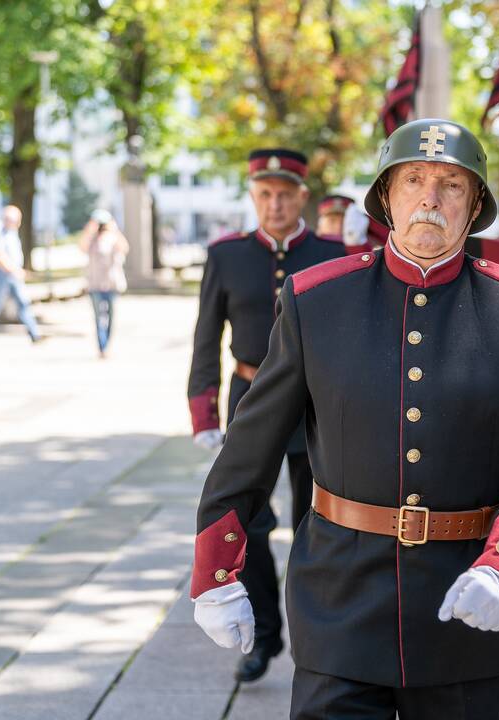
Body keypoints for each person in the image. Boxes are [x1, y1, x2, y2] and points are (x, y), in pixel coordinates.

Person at [190, 118, 499, 719]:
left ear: (475, 205)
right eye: (413, 180)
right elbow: (252, 443)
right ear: (386, 198)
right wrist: (215, 567)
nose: (430, 198)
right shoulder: (316, 299)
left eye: (452, 184)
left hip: (466, 601)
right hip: (339, 600)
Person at [186, 147, 345, 683]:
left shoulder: (331, 251)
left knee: (316, 523)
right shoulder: (226, 255)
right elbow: (207, 335)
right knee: (246, 525)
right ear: (253, 197)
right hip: (249, 398)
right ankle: (264, 637)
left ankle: (314, 637)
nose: (275, 205)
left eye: (285, 195)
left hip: (316, 403)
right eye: (264, 195)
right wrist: (203, 412)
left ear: (303, 196)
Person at [0, 205, 43, 344]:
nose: (15, 223)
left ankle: (34, 334)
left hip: (13, 276)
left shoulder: (12, 233)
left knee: (23, 303)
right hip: (3, 275)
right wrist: (16, 270)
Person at [78, 209, 129, 358]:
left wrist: (114, 229)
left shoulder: (113, 239)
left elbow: (125, 248)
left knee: (111, 317)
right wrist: (89, 229)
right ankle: (102, 347)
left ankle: (106, 344)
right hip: (95, 285)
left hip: (112, 284)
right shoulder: (92, 240)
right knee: (98, 317)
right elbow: (81, 246)